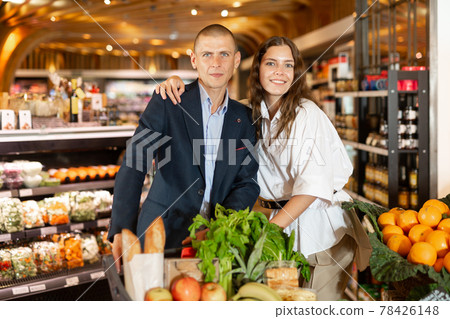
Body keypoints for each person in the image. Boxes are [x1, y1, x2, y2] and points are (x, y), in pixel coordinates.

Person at [156, 36, 372, 301]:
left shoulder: (307, 113)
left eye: (288, 65)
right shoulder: (245, 112)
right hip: (274, 227)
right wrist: (177, 86)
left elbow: (311, 188)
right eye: (271, 63)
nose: (280, 72)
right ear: (257, 69)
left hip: (319, 233)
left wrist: (264, 233)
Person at [108, 24, 260, 272]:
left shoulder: (244, 118)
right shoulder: (169, 101)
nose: (216, 63)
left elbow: (247, 182)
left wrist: (220, 228)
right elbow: (135, 162)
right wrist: (120, 230)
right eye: (207, 54)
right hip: (161, 234)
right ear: (194, 60)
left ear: (236, 60)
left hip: (216, 241)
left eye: (224, 54)